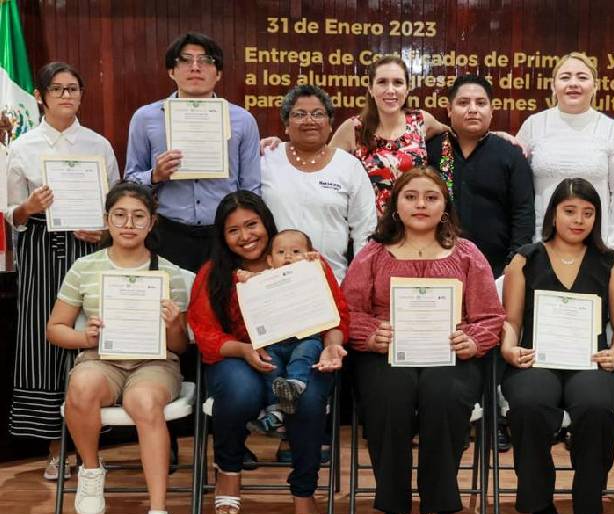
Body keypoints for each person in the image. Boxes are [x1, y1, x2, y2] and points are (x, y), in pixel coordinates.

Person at [342, 167, 504, 514]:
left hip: (450, 354)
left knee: (443, 394)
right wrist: (369, 334)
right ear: (394, 205)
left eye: (431, 197)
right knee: (389, 396)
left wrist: (474, 340)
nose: (420, 204)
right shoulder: (373, 253)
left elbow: (490, 317)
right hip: (386, 354)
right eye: (410, 196)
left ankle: (432, 513)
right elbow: (348, 311)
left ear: (444, 205)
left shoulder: (467, 254)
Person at [188, 191, 348, 514]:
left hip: (306, 354)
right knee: (242, 390)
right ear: (222, 236)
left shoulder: (306, 262)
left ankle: (304, 494)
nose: (246, 236)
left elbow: (337, 314)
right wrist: (243, 349)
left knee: (306, 401)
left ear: (266, 223)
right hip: (240, 354)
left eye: (252, 225)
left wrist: (333, 346)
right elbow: (204, 330)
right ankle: (229, 469)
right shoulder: (217, 273)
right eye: (234, 230)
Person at [46, 182, 189, 514]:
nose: (129, 224)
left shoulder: (169, 273)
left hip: (154, 363)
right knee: (82, 386)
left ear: (152, 223)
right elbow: (55, 329)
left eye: (139, 216)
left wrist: (174, 324)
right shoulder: (85, 267)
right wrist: (86, 338)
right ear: (107, 220)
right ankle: (91, 470)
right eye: (120, 215)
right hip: (101, 358)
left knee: (144, 402)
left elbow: (179, 347)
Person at [500, 178, 614, 514]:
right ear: (553, 213)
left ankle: (587, 511)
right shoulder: (525, 258)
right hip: (534, 359)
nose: (579, 220)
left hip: (592, 360)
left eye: (588, 213)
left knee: (596, 406)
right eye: (570, 211)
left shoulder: (611, 263)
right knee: (528, 405)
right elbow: (510, 320)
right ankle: (541, 506)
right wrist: (509, 349)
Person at [4, 62, 119, 480]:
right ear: (40, 95)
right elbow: (10, 213)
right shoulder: (24, 146)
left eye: (74, 88)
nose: (67, 96)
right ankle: (56, 450)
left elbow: (117, 206)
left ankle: (90, 451)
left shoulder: (98, 144)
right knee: (46, 341)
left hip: (88, 250)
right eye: (58, 89)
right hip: (40, 249)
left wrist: (103, 228)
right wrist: (29, 208)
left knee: (90, 339)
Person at [125, 32, 260, 272]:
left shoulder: (242, 119)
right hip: (168, 233)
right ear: (171, 71)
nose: (195, 67)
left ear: (218, 73)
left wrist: (247, 234)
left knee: (219, 306)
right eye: (185, 60)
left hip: (222, 234)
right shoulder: (145, 118)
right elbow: (130, 182)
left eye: (205, 60)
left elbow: (250, 186)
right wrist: (155, 175)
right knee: (171, 307)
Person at [516, 52, 614, 256]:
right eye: (565, 77)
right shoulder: (534, 125)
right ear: (553, 87)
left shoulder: (611, 129)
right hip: (540, 244)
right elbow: (515, 185)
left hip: (596, 247)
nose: (573, 83)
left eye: (582, 77)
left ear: (595, 86)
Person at [261, 85, 376, 281]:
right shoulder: (267, 160)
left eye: (318, 114)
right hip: (274, 282)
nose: (309, 121)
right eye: (299, 114)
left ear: (330, 124)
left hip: (332, 281)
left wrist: (359, 280)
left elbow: (364, 230)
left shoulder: (349, 166)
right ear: (286, 125)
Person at [426, 74, 535, 278]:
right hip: (434, 266)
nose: (473, 109)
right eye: (463, 103)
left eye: (481, 103)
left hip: (496, 271)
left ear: (491, 111)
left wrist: (514, 264)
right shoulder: (432, 151)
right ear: (449, 110)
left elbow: (523, 213)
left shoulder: (510, 155)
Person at [330, 55, 449, 216]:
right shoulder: (352, 129)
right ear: (371, 89)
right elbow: (328, 173)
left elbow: (450, 131)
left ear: (407, 89)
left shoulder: (421, 120)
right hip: (368, 230)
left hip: (413, 226)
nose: (391, 90)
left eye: (398, 83)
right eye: (382, 82)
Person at [238, 229, 328, 436]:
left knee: (304, 354)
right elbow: (253, 282)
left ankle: (295, 384)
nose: (288, 256)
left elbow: (320, 271)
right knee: (270, 368)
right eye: (281, 252)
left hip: (305, 337)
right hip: (275, 341)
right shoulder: (266, 278)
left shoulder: (310, 274)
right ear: (269, 260)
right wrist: (247, 277)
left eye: (296, 251)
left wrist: (314, 262)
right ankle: (276, 411)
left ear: (308, 254)